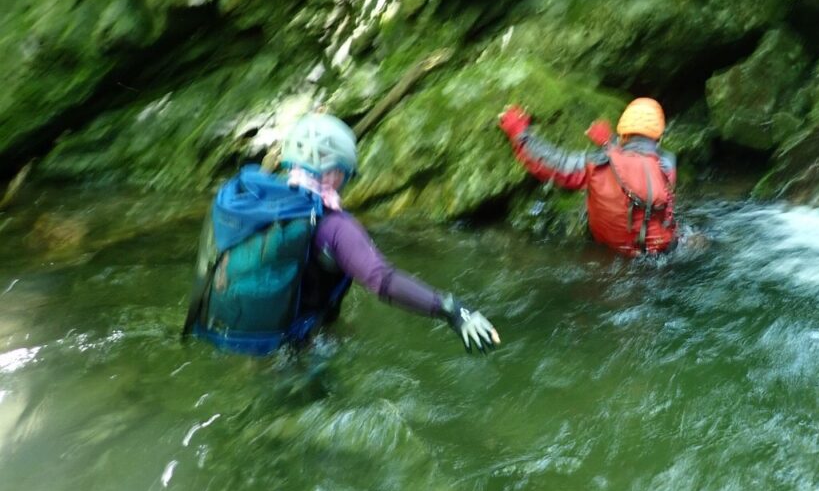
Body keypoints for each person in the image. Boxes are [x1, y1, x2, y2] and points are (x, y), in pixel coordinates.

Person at [183, 113, 500, 355]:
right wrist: (451, 308)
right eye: (346, 173)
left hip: (254, 336)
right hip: (301, 348)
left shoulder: (267, 204)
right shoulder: (336, 227)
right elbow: (382, 281)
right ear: (335, 173)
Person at [499, 98, 678, 256]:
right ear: (659, 139)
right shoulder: (668, 166)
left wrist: (519, 133)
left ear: (623, 135)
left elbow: (554, 162)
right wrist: (609, 144)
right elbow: (637, 163)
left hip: (611, 253)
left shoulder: (596, 164)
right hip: (663, 253)